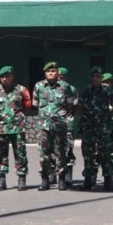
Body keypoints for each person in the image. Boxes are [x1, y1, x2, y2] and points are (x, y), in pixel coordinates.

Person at [0, 65, 32, 191]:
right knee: (0, 154)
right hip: (1, 129)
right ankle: (1, 180)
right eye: (2, 77)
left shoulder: (22, 90)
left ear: (12, 76)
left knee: (20, 153)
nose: (4, 79)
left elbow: (27, 107)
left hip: (18, 128)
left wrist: (17, 119)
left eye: (7, 76)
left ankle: (21, 179)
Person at [32, 61, 76, 191]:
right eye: (48, 71)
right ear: (45, 73)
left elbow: (70, 105)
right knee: (43, 153)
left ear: (57, 73)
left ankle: (61, 179)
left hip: (60, 126)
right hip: (44, 126)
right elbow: (35, 105)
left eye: (53, 71)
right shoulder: (38, 86)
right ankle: (45, 180)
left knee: (60, 152)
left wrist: (61, 117)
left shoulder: (65, 87)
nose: (51, 73)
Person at [77, 66, 113, 191]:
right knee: (88, 154)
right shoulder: (85, 90)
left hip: (103, 128)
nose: (95, 79)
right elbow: (79, 108)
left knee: (105, 154)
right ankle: (88, 181)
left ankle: (108, 181)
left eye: (98, 76)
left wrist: (108, 117)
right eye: (93, 76)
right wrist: (85, 118)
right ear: (90, 77)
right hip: (89, 128)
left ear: (101, 78)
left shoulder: (107, 91)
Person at [56, 66, 79, 187]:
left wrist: (70, 117)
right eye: (58, 76)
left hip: (67, 122)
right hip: (54, 123)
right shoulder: (52, 88)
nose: (59, 78)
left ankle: (69, 173)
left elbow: (75, 105)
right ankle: (53, 174)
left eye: (61, 76)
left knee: (69, 148)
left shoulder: (72, 89)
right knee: (54, 148)